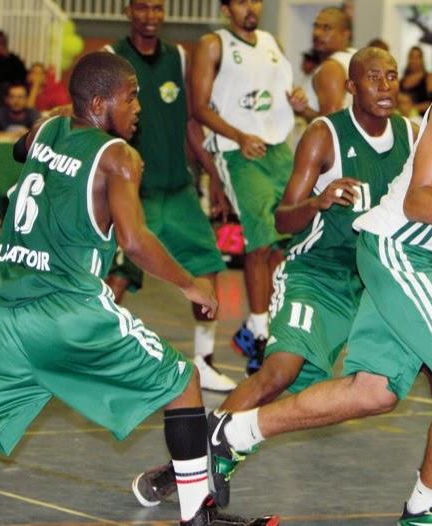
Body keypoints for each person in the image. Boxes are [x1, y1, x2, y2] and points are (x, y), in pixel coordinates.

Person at [0, 51, 277, 526]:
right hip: (67, 307)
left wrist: (55, 118)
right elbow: (134, 240)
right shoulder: (120, 157)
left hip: (4, 315)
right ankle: (195, 519)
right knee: (183, 381)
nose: (139, 106)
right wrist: (191, 286)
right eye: (131, 96)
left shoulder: (50, 130)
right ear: (100, 102)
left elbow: (21, 150)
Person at [202, 11, 432, 525]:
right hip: (402, 249)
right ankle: (425, 509)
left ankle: (234, 433)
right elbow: (419, 200)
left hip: (424, 254)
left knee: (373, 391)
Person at [101, 0, 237, 392]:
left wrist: (214, 179)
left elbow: (192, 125)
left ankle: (204, 360)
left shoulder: (179, 57)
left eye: (157, 8)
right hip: (132, 191)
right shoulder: (111, 58)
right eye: (142, 8)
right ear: (129, 11)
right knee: (118, 278)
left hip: (178, 189)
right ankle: (101, 358)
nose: (150, 16)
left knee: (207, 267)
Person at [192, 0, 305, 375]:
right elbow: (199, 109)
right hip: (238, 152)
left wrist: (298, 102)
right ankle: (259, 333)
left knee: (287, 239)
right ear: (226, 9)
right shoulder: (214, 43)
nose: (251, 7)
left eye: (255, 0)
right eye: (241, 1)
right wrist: (239, 137)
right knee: (259, 242)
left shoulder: (272, 43)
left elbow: (284, 94)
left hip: (277, 149)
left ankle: (257, 325)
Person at [298, 6, 355, 121]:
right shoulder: (355, 56)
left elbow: (331, 125)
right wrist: (301, 108)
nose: (317, 33)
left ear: (345, 34)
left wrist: (304, 111)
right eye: (316, 26)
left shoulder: (331, 67)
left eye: (327, 28)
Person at [401, 45, 432, 115]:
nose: (414, 60)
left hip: (421, 119)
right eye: (411, 57)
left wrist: (412, 108)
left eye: (417, 57)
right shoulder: (403, 80)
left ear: (422, 59)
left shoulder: (429, 77)